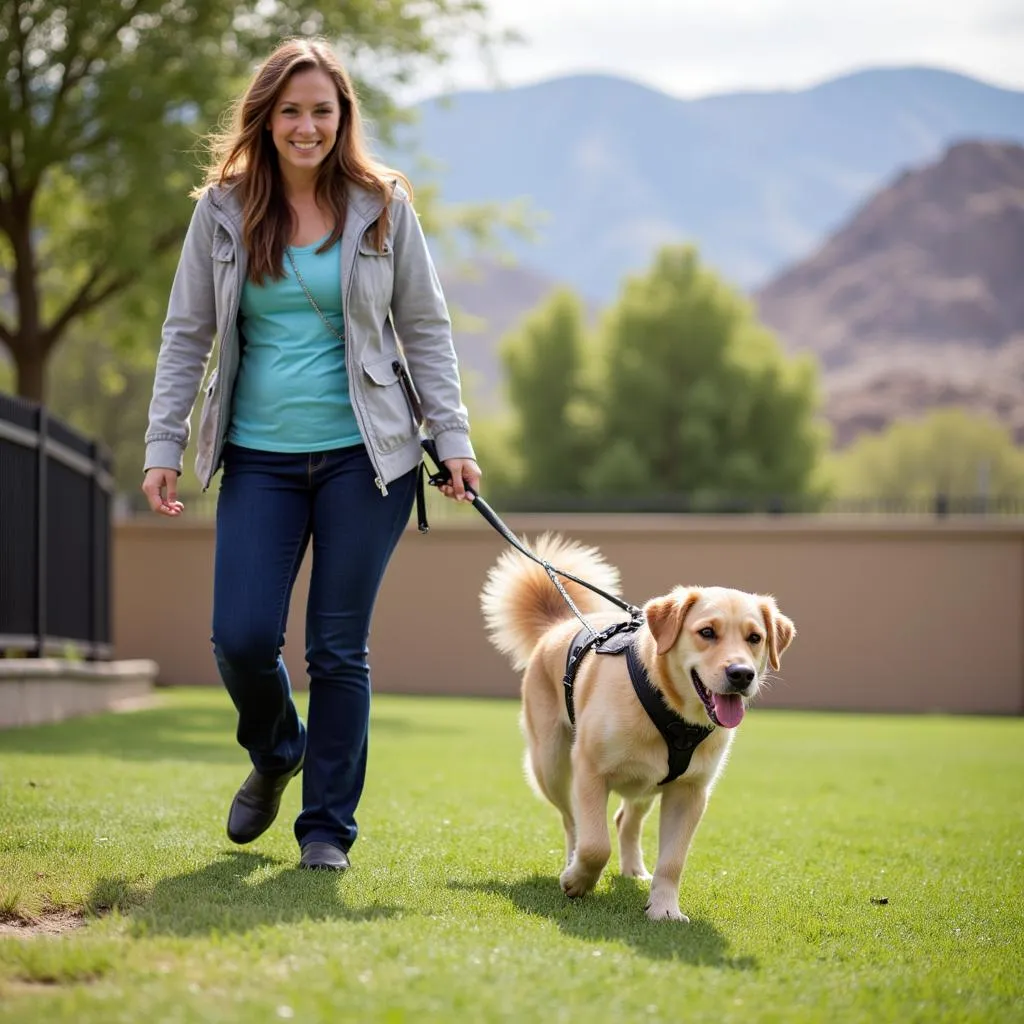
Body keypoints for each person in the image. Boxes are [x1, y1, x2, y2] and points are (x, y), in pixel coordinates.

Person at [141, 37, 481, 872]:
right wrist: (162, 442)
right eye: (290, 111)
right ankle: (276, 749)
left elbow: (426, 329)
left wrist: (455, 438)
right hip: (257, 457)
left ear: (343, 118)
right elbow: (187, 331)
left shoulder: (383, 204)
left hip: (368, 462)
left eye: (321, 111)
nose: (306, 126)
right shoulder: (222, 209)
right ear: (266, 117)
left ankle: (326, 829)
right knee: (242, 638)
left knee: (338, 649)